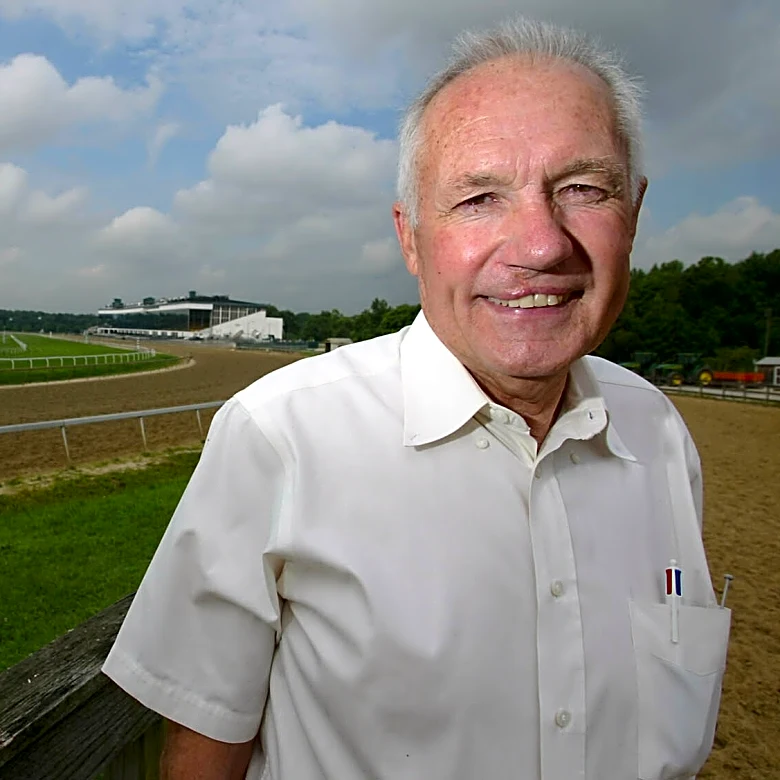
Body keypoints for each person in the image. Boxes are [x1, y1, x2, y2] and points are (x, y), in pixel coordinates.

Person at [103, 17, 731, 780]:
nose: (540, 245)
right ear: (410, 238)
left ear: (632, 215)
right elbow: (204, 751)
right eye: (478, 199)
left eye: (583, 189)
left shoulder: (660, 433)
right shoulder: (280, 436)